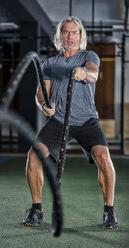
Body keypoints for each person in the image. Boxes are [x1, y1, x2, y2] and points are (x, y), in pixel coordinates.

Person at [23, 16, 118, 230]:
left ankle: (109, 211)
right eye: (66, 32)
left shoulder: (88, 56)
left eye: (74, 32)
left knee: (104, 156)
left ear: (80, 35)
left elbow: (93, 73)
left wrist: (85, 72)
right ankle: (36, 208)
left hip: (86, 121)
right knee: (33, 156)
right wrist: (44, 106)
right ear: (60, 36)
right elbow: (41, 95)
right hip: (58, 121)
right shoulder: (50, 63)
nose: (70, 36)